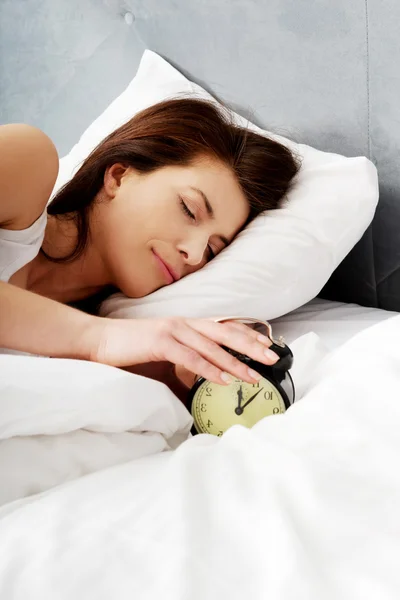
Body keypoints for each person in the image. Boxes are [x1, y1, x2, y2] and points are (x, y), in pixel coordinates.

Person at [0, 97, 300, 397]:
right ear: (119, 176)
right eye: (189, 209)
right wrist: (98, 339)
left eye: (212, 250)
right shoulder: (28, 162)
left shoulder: (120, 346)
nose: (194, 255)